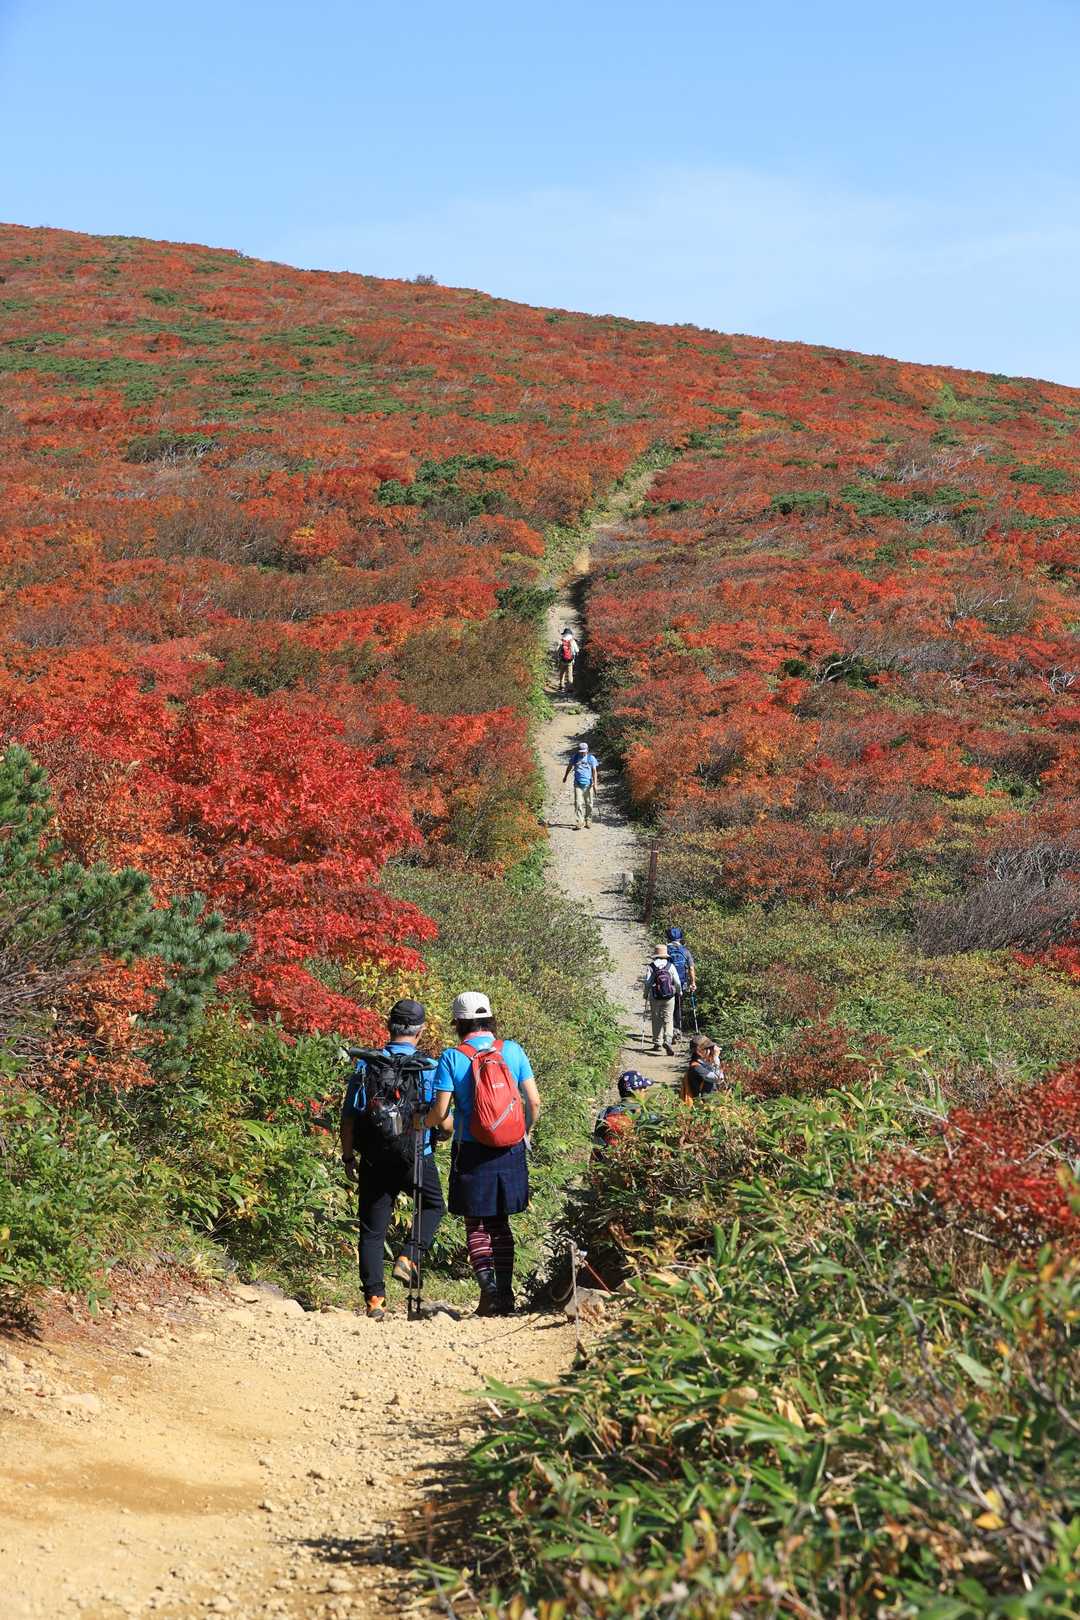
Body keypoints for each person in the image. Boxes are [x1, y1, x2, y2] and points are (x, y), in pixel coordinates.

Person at [427, 990, 541, 1317]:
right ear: (490, 1018)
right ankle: (504, 1294)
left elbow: (441, 1112)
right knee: (500, 1223)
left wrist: (424, 1123)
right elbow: (534, 1101)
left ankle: (488, 1292)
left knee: (476, 1224)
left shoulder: (453, 1057)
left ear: (458, 1023)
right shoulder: (513, 1050)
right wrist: (525, 1132)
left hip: (471, 1149)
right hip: (510, 1149)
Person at [340, 999, 448, 1321]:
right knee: (433, 1206)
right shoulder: (429, 1067)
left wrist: (348, 1157)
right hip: (416, 1156)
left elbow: (349, 1119)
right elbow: (443, 1119)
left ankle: (375, 1300)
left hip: (375, 1158)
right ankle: (409, 1256)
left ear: (389, 1026)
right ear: (421, 1031)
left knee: (373, 1230)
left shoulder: (367, 1065)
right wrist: (444, 1133)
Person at [592, 1070, 655, 1158]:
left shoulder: (605, 1112)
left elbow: (597, 1145)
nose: (645, 1091)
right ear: (636, 1091)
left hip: (609, 1160)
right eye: (643, 1088)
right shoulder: (646, 1113)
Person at [643, 943, 681, 1055]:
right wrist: (679, 992)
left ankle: (657, 1043)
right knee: (668, 1019)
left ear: (655, 955)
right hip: (669, 996)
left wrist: (645, 994)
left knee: (656, 1018)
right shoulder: (670, 966)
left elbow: (648, 983)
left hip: (655, 996)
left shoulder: (651, 967)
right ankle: (667, 1040)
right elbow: (677, 982)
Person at [665, 926, 697, 1037]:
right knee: (678, 1007)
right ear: (680, 938)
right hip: (681, 983)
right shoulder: (685, 951)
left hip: (667, 984)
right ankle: (677, 1029)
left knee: (667, 1007)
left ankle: (668, 1031)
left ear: (668, 938)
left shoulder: (665, 950)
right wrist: (693, 983)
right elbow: (691, 968)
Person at [562, 740, 599, 830]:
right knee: (578, 803)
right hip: (577, 783)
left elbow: (594, 771)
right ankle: (580, 821)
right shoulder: (575, 757)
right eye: (581, 752)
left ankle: (588, 820)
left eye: (584, 751)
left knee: (589, 803)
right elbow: (569, 766)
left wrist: (595, 784)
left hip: (588, 784)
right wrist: (565, 776)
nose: (582, 753)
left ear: (587, 750)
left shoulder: (591, 758)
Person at [683, 1034, 725, 1102]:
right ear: (699, 1051)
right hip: (705, 1104)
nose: (711, 1050)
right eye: (709, 1048)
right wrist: (716, 1058)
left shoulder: (705, 1063)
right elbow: (719, 1078)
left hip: (712, 1102)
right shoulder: (696, 1068)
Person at [555, 625, 580, 693]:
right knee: (570, 674)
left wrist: (558, 657)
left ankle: (561, 686)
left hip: (562, 660)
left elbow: (557, 650)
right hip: (570, 661)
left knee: (562, 673)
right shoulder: (572, 641)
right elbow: (577, 650)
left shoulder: (561, 641)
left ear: (564, 634)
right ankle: (570, 688)